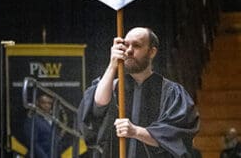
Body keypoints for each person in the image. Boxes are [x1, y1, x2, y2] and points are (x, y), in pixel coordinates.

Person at [78, 27, 199, 157]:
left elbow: (174, 136)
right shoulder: (111, 86)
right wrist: (112, 65)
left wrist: (136, 132)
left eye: (136, 45)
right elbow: (97, 109)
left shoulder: (171, 93)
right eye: (126, 45)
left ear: (152, 52)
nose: (129, 51)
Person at [24, 93, 59, 158]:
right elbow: (33, 143)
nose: (46, 105)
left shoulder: (52, 121)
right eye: (43, 103)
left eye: (49, 103)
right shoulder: (33, 120)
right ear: (37, 103)